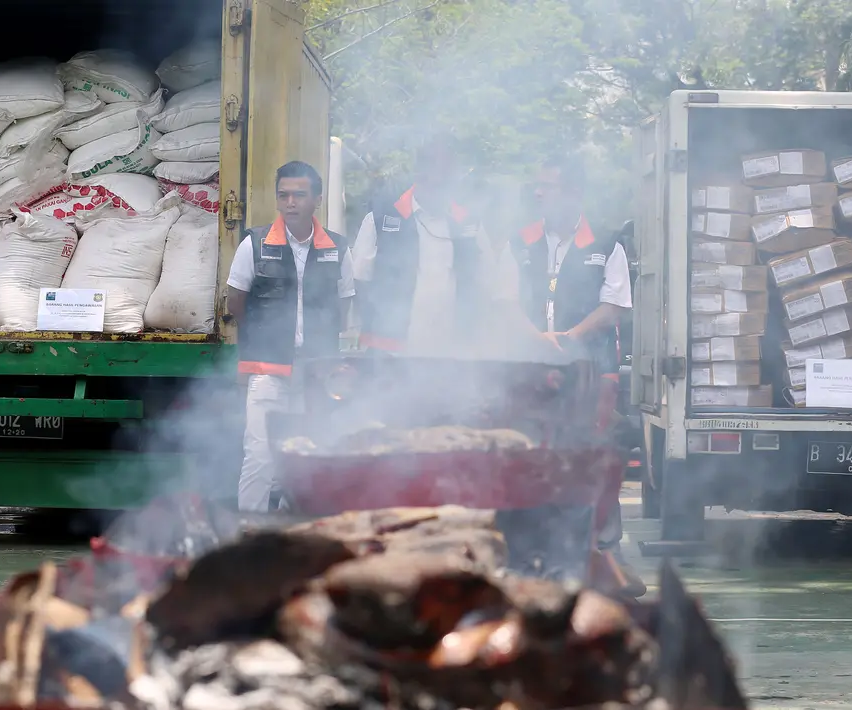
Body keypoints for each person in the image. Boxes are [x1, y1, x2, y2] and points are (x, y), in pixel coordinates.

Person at [513, 153, 645, 598]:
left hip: (592, 369)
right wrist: (533, 336)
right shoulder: (522, 241)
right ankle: (534, 551)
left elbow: (613, 308)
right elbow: (503, 299)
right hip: (531, 366)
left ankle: (607, 550)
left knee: (598, 455)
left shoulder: (607, 244)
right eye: (537, 186)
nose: (538, 194)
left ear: (572, 193)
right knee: (532, 453)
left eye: (546, 186)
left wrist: (569, 335)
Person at [226, 161, 355, 511]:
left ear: (318, 199)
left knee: (307, 453)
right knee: (260, 454)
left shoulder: (338, 249)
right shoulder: (254, 244)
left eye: (299, 195)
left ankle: (290, 529)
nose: (290, 202)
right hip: (267, 368)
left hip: (316, 371)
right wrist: (263, 339)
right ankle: (248, 534)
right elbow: (236, 302)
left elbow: (344, 308)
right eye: (283, 195)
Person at [351, 135, 516, 355]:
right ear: (420, 174)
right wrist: (376, 338)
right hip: (392, 353)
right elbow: (360, 282)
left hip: (452, 354)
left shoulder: (469, 224)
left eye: (448, 179)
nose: (441, 186)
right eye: (437, 178)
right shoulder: (381, 219)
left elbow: (487, 284)